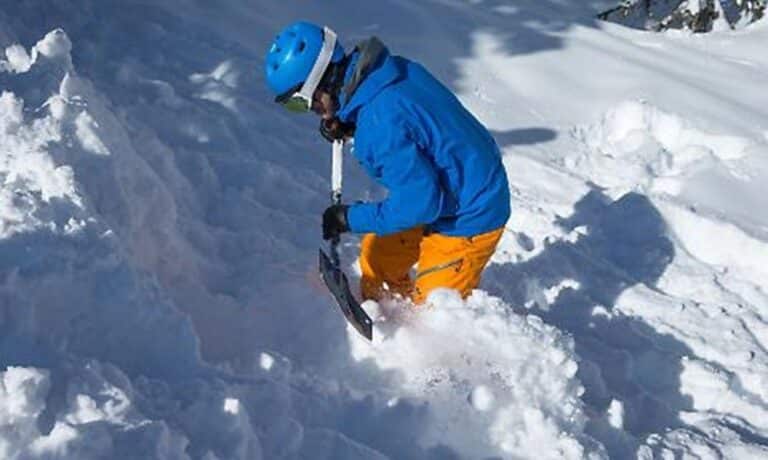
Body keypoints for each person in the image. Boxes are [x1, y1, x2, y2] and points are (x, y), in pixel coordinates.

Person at [264, 21, 510, 305]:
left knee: (434, 315)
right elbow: (407, 124)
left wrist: (349, 218)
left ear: (322, 82)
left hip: (471, 211)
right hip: (455, 177)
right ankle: (390, 318)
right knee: (377, 264)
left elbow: (420, 204)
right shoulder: (385, 73)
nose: (314, 113)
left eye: (303, 103)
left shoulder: (379, 127)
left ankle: (423, 340)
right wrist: (347, 122)